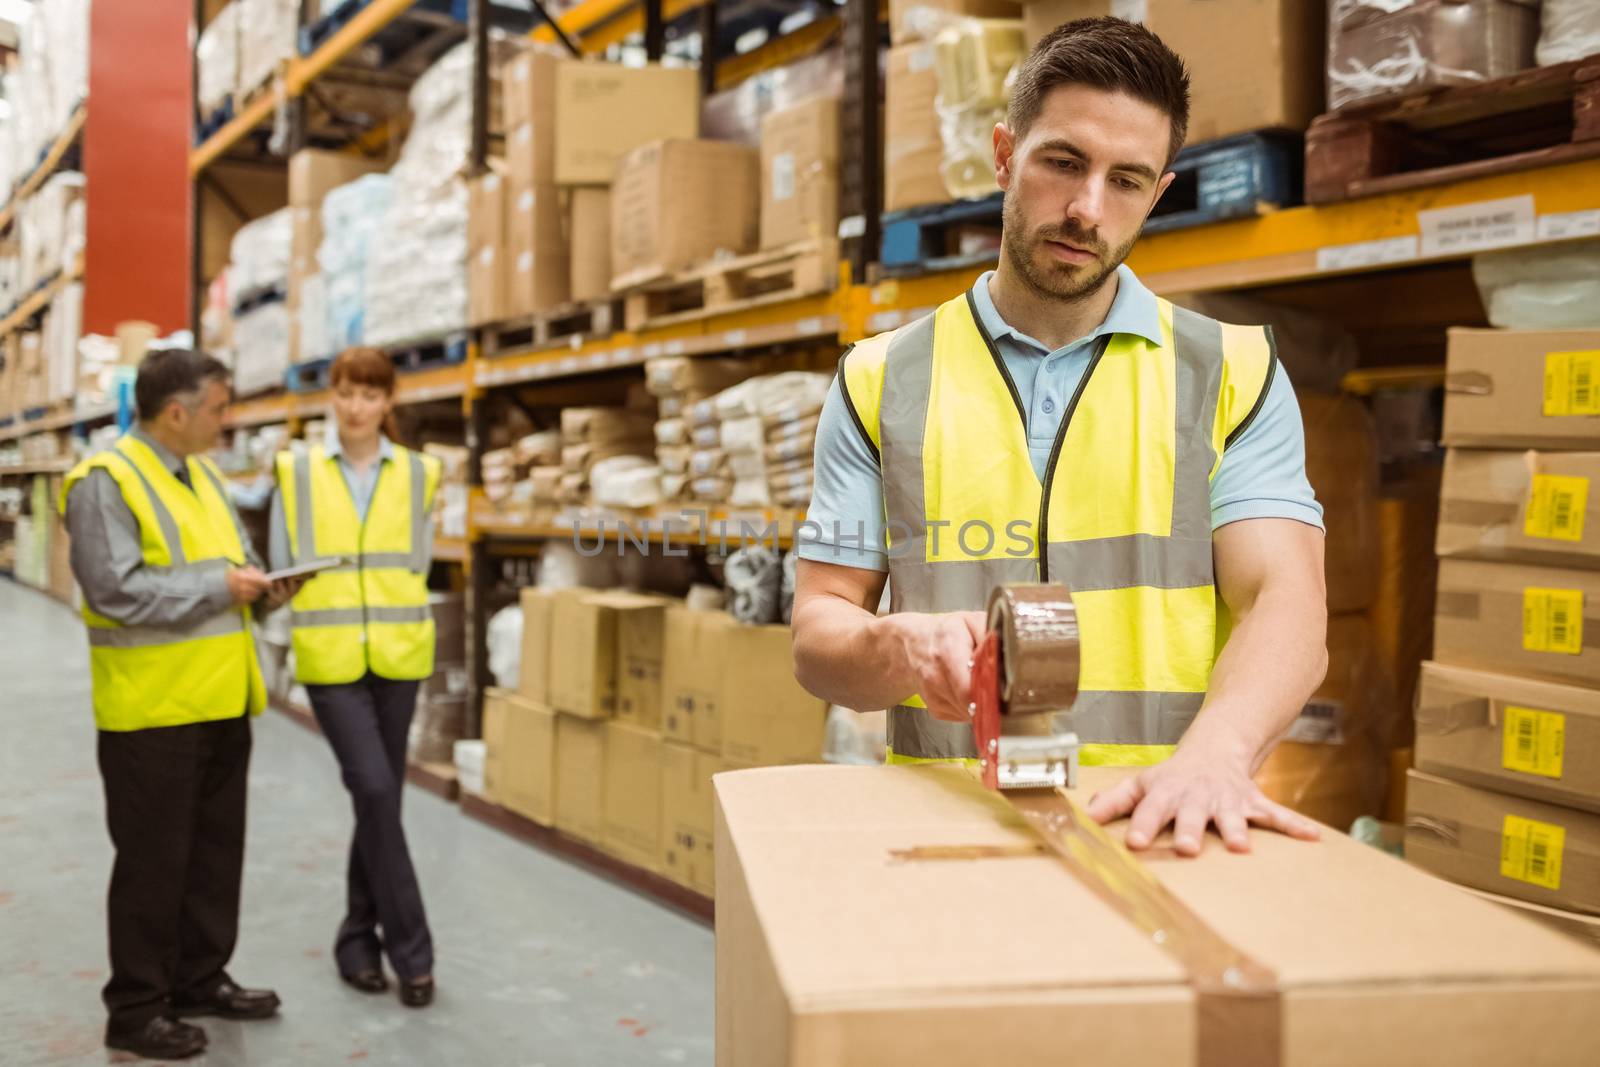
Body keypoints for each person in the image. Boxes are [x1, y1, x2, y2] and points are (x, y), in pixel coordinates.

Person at [791, 17, 1329, 857]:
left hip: (1157, 825)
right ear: (1005, 155)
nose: (1087, 209)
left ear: (1158, 194)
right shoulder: (880, 379)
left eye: (1127, 181)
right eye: (1064, 162)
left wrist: (1217, 758)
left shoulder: (1233, 375)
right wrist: (898, 646)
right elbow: (819, 634)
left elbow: (1286, 603)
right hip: (948, 836)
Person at [61, 349, 297, 1061]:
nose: (228, 422)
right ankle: (135, 1008)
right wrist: (222, 587)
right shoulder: (104, 482)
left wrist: (263, 588)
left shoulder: (205, 477)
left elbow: (223, 570)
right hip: (152, 711)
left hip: (221, 700)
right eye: (220, 409)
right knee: (153, 864)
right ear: (177, 412)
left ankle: (198, 978)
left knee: (213, 855)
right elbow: (115, 590)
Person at [269, 346, 442, 1008]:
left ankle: (355, 939)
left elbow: (418, 562)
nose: (357, 406)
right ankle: (414, 951)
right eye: (346, 392)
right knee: (373, 786)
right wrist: (277, 657)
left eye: (371, 395)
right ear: (331, 397)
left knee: (380, 800)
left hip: (399, 653)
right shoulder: (297, 470)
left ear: (389, 402)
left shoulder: (423, 472)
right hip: (331, 655)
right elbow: (285, 569)